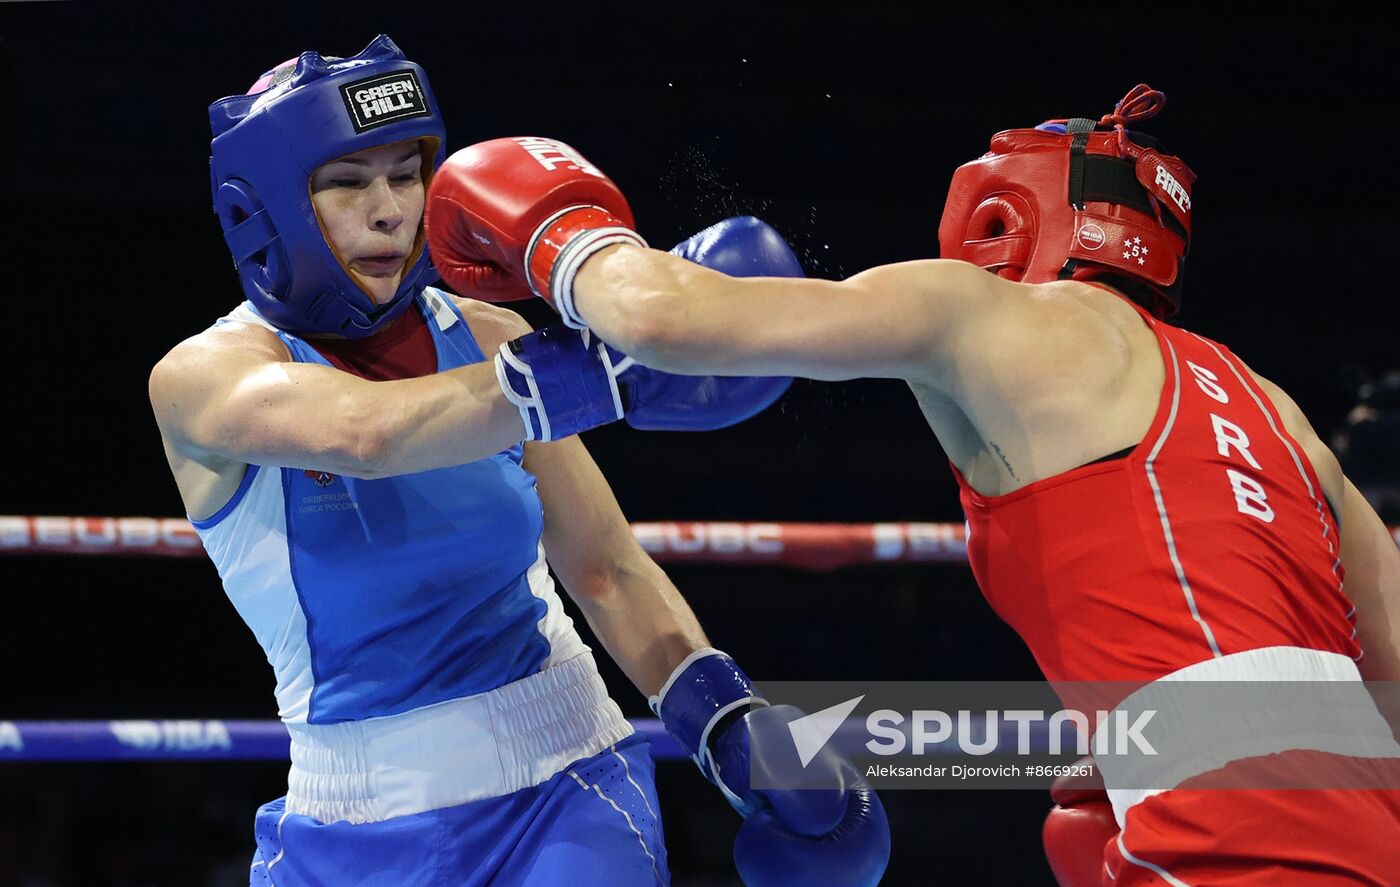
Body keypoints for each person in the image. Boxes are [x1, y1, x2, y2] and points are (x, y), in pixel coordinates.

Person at [426, 84, 1400, 884]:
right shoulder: (1272, 408)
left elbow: (660, 317)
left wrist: (562, 231)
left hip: (1229, 845)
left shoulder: (989, 312)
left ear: (994, 216)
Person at [148, 36, 888, 887]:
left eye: (405, 173)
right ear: (271, 207)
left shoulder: (491, 339)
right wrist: (611, 369)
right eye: (348, 182)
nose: (389, 208)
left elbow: (605, 567)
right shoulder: (205, 379)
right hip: (339, 821)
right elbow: (369, 434)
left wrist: (720, 714)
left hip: (564, 786)